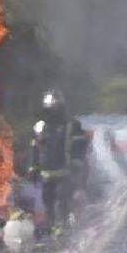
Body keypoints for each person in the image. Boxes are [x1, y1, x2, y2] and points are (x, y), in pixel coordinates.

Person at [27, 90, 89, 234]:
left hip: (65, 171)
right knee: (47, 202)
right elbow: (34, 148)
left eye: (55, 107)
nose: (52, 110)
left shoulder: (72, 125)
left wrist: (77, 163)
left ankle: (64, 227)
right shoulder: (40, 126)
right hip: (46, 173)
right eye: (49, 107)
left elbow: (80, 146)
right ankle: (51, 228)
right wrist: (32, 168)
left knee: (63, 199)